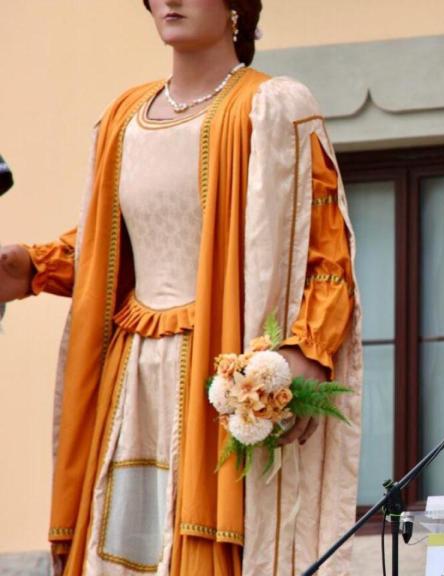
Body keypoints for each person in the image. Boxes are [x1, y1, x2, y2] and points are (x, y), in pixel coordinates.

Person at [0, 1, 363, 574]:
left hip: (221, 373)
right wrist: (30, 266)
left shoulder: (271, 106)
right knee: (119, 543)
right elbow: (104, 247)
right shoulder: (122, 117)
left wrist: (307, 348)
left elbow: (324, 249)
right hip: (131, 375)